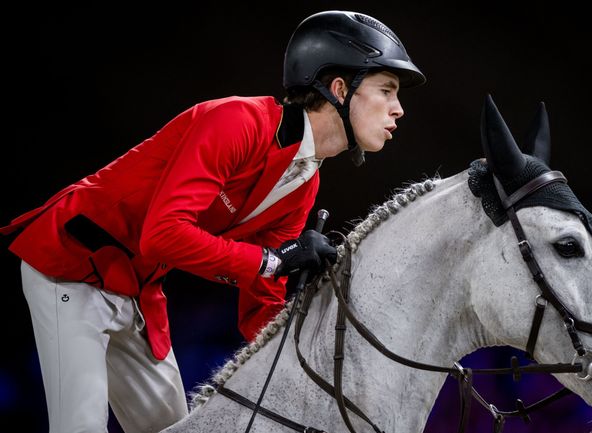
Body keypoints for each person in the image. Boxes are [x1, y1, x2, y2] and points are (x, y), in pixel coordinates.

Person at [1, 10, 425, 433]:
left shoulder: (304, 181)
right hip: (71, 261)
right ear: (338, 88)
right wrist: (272, 260)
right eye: (387, 90)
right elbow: (164, 235)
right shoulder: (236, 121)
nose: (399, 108)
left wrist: (312, 367)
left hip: (137, 291)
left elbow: (263, 300)